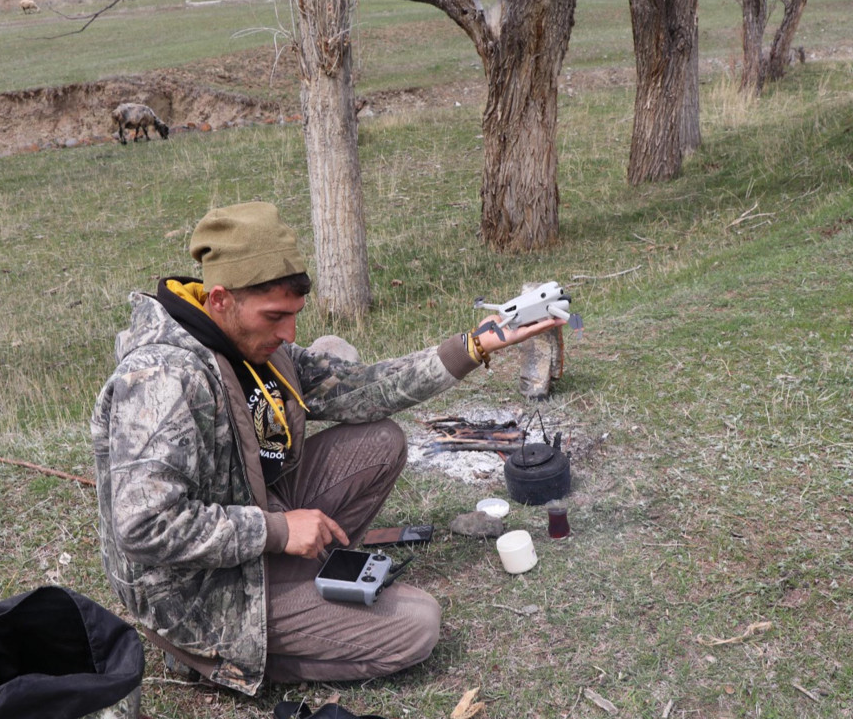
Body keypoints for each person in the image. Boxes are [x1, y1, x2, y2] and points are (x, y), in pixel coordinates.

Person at [91, 201, 563, 695]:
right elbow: (144, 527)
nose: (289, 334)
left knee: (380, 441)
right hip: (194, 593)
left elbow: (357, 388)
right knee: (418, 624)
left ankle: (299, 582)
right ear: (221, 299)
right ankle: (217, 657)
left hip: (251, 524)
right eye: (275, 317)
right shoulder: (164, 379)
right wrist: (276, 529)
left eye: (294, 316)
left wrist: (476, 345)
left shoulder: (244, 345)